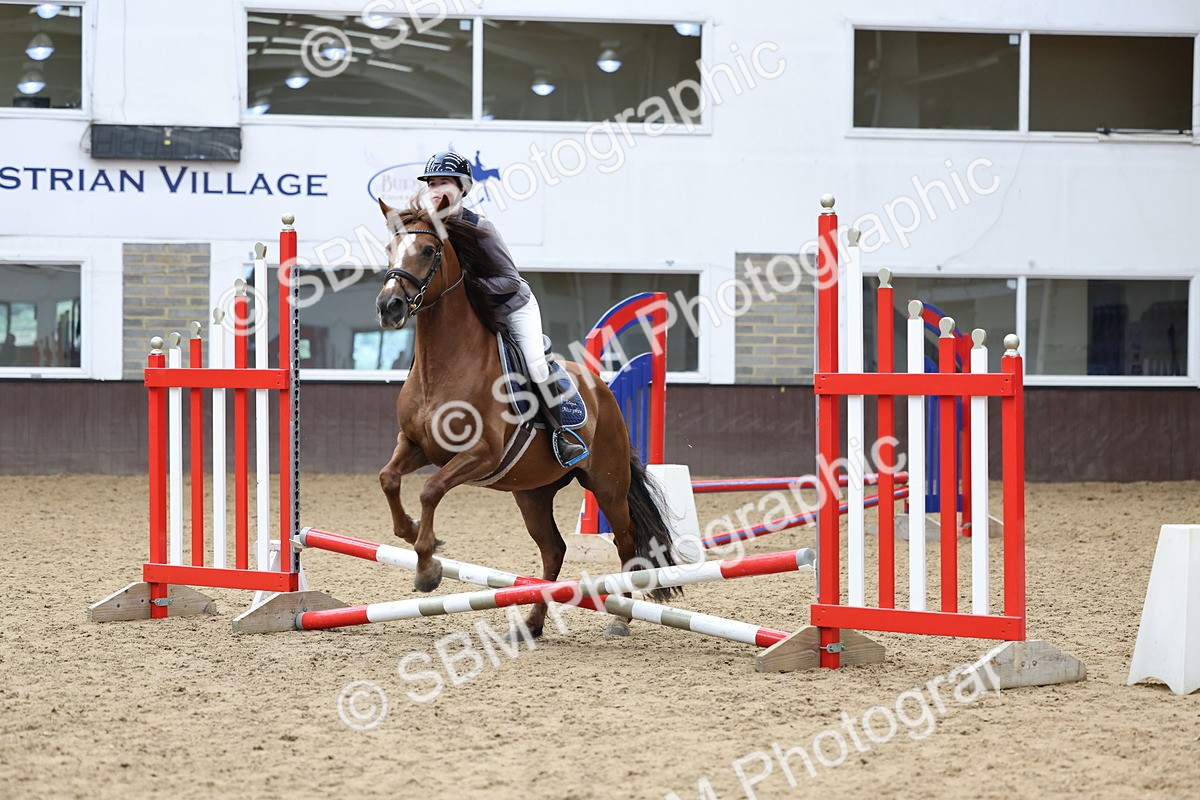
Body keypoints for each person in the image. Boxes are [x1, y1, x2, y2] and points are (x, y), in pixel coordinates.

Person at [417, 151, 588, 467]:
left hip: (511, 307)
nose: (436, 189)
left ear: (463, 187)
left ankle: (562, 435)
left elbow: (510, 280)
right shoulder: (427, 229)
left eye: (444, 182)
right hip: (471, 315)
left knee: (536, 366)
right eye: (431, 184)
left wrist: (468, 290)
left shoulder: (481, 228)